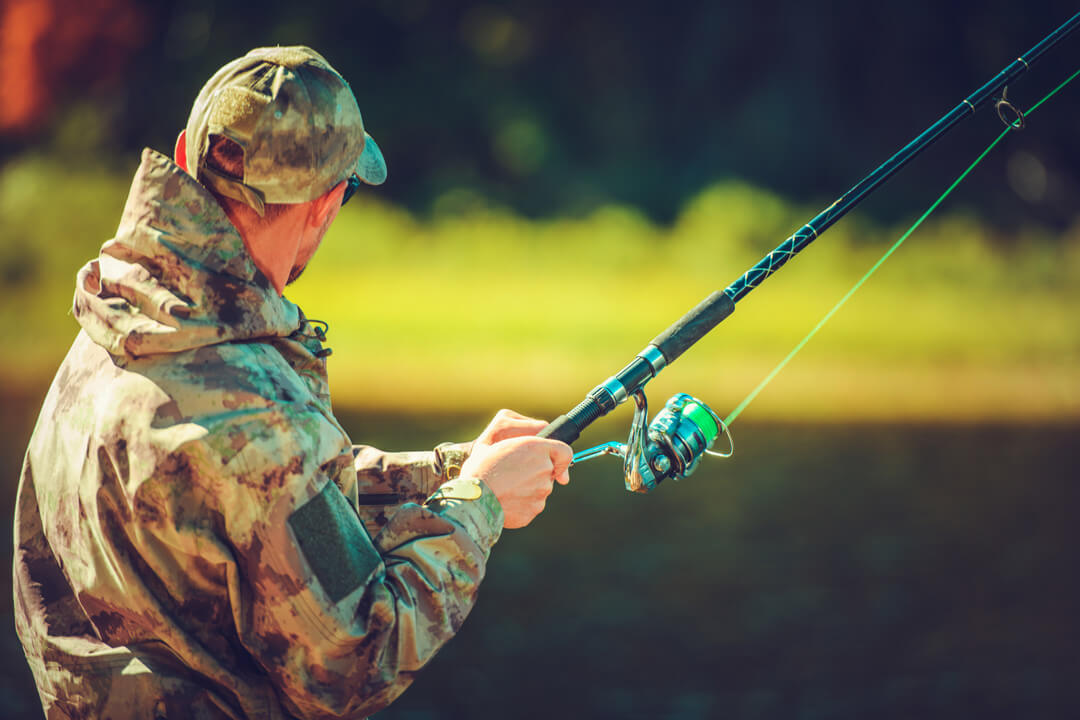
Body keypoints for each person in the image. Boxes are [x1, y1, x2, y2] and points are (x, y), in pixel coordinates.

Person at [13, 46, 572, 720]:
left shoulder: (113, 323)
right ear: (326, 205)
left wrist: (451, 471)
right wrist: (476, 510)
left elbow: (262, 501)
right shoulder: (251, 411)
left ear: (190, 151)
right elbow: (358, 660)